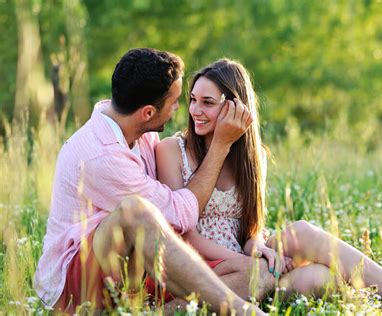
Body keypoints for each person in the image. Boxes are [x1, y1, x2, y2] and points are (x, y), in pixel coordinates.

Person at [155, 58, 382, 312]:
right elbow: (183, 235)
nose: (195, 110)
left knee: (318, 272)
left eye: (207, 102)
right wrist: (249, 264)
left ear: (235, 108)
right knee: (311, 275)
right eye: (193, 99)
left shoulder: (254, 158)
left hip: (248, 258)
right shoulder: (171, 150)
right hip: (208, 267)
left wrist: (257, 248)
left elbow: (252, 226)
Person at [34, 48, 271, 315]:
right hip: (77, 285)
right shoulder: (99, 154)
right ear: (147, 113)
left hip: (135, 269)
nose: (182, 110)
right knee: (134, 211)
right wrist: (220, 147)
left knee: (255, 275)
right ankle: (242, 311)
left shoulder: (139, 131)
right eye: (175, 102)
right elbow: (180, 216)